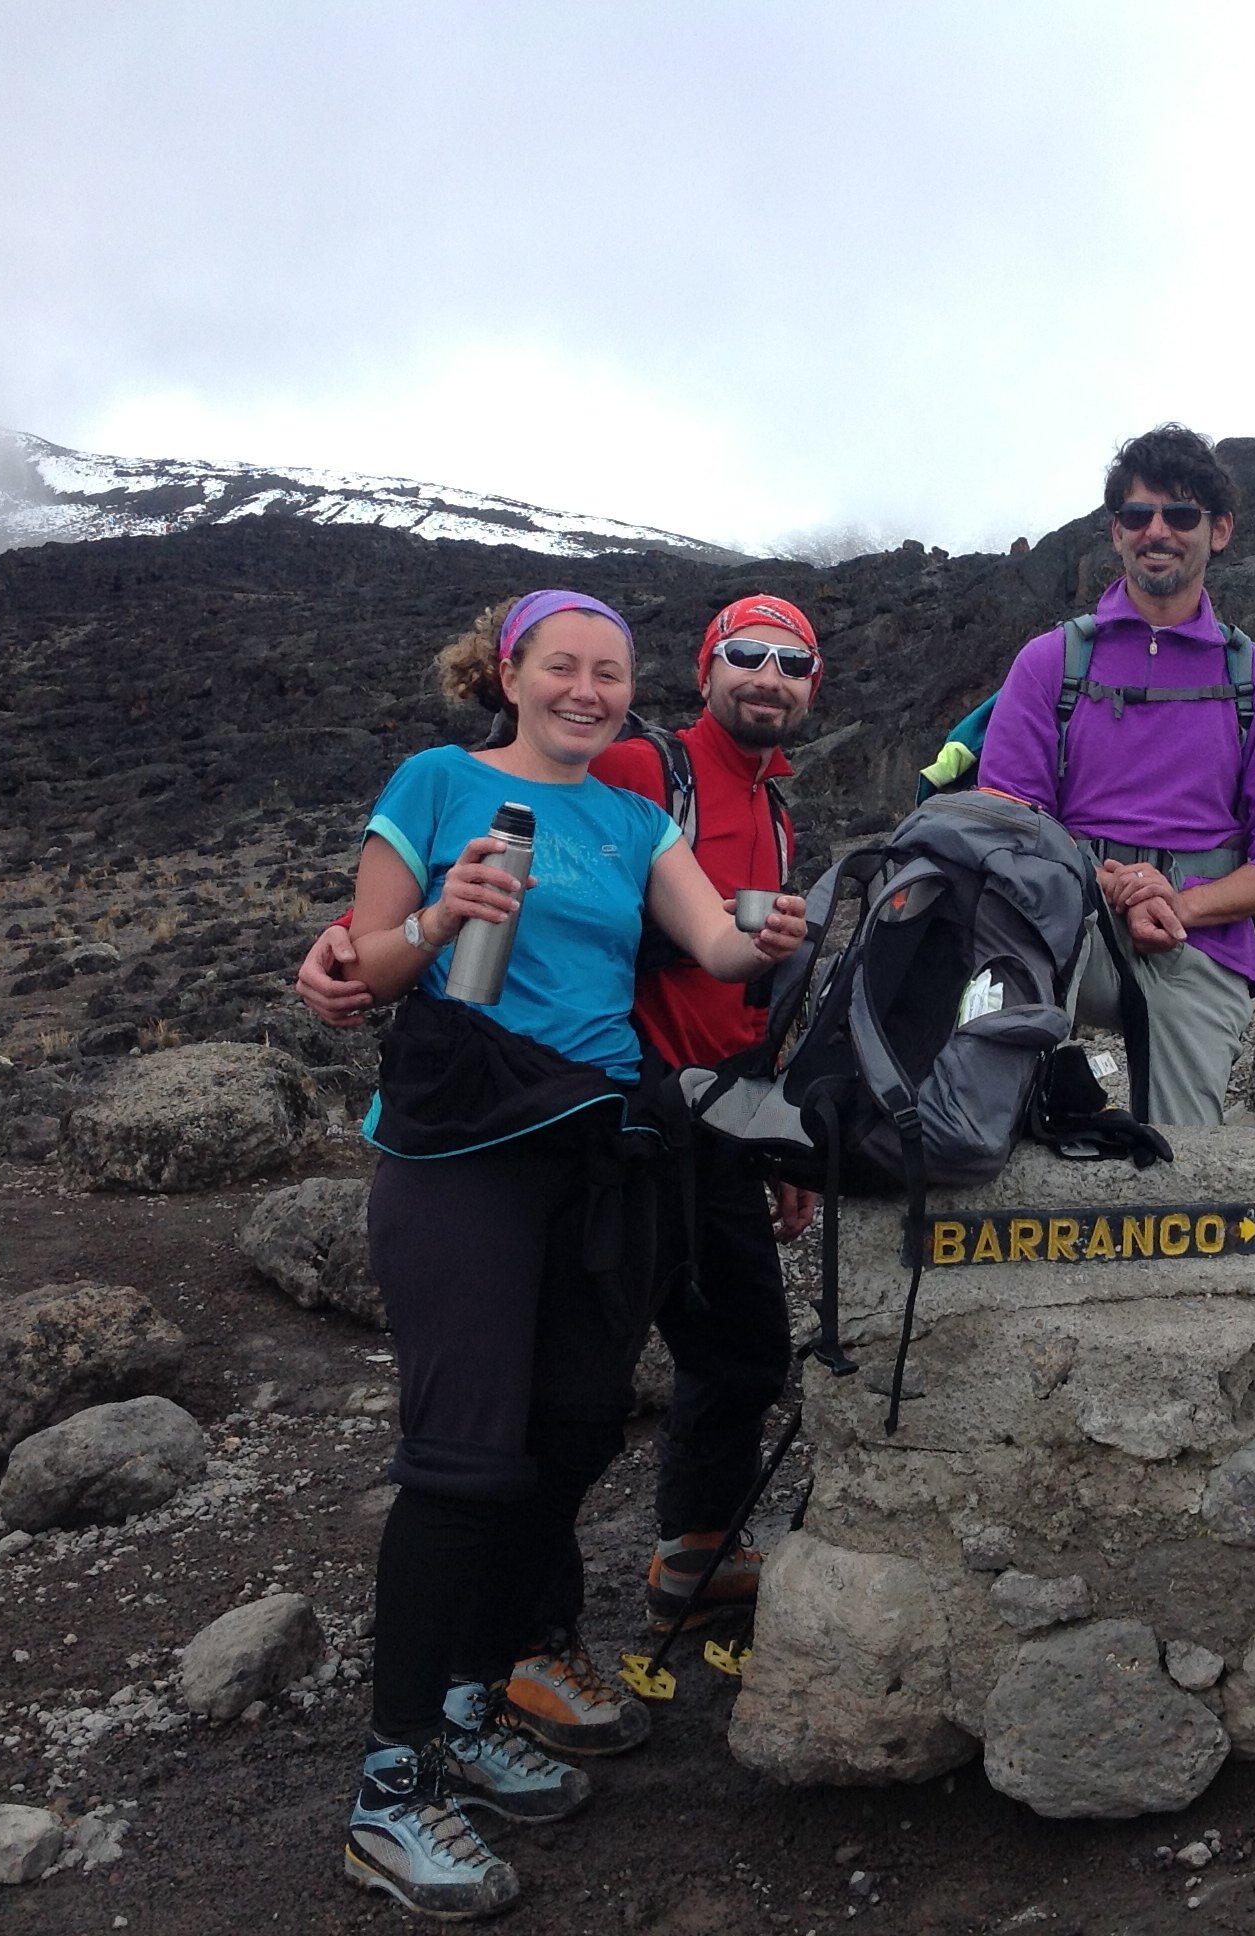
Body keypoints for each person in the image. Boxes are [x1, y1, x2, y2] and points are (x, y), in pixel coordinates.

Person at [330, 589, 803, 1919]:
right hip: (462, 1153)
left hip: (594, 1150)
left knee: (580, 1419)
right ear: (513, 673)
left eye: (611, 674)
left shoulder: (634, 815)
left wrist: (766, 934)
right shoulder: (435, 782)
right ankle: (389, 1787)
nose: (589, 692)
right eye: (565, 669)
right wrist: (436, 924)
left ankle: (479, 1698)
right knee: (463, 1455)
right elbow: (361, 962)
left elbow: (709, 938)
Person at [973, 423, 1255, 1125]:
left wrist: (1181, 905)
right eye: (1138, 515)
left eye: (1180, 514)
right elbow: (1005, 819)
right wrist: (1111, 889)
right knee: (988, 1116)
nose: (1156, 530)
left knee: (1181, 1171)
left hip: (1198, 941)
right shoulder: (1049, 663)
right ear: (1116, 533)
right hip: (1065, 920)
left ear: (1218, 531)